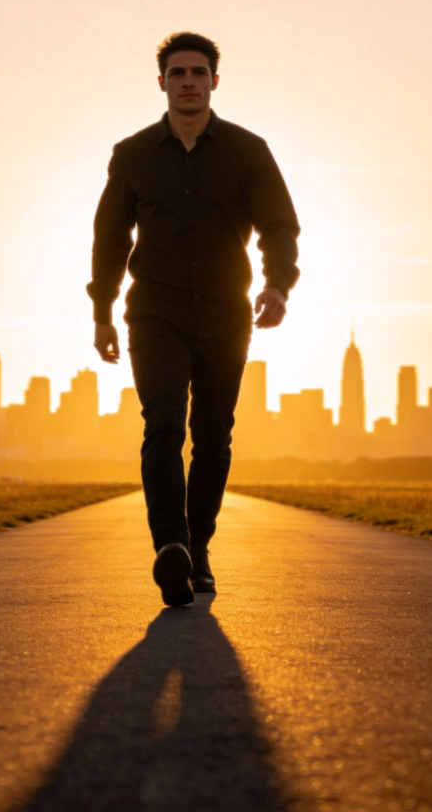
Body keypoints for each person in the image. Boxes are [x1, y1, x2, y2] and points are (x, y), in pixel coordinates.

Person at [88, 31, 300, 606]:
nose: (188, 82)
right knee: (162, 425)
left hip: (228, 313)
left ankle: (198, 549)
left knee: (213, 437)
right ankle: (170, 547)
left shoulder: (247, 151)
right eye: (177, 73)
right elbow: (109, 237)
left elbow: (280, 225)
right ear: (161, 83)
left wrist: (279, 284)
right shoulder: (131, 155)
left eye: (198, 72)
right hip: (154, 312)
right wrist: (102, 311)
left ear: (214, 81)